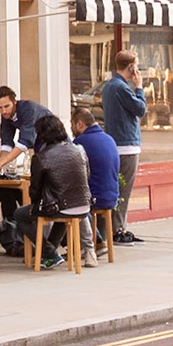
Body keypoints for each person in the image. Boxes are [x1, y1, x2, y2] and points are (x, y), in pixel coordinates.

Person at [5, 114, 90, 268]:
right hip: (83, 205)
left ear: (42, 135)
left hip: (59, 207)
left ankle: (49, 252)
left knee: (20, 214)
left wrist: (36, 205)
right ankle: (49, 256)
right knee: (62, 212)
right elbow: (87, 176)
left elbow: (35, 191)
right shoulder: (79, 150)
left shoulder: (41, 157)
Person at [101, 50, 147, 245]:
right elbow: (140, 109)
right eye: (135, 66)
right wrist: (140, 88)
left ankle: (113, 229)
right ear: (131, 67)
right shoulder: (122, 87)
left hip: (115, 143)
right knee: (123, 191)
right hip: (127, 145)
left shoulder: (109, 86)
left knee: (116, 188)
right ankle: (118, 229)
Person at [72, 107, 121, 257]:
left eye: (72, 125)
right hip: (112, 196)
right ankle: (96, 241)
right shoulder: (108, 138)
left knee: (68, 203)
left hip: (95, 198)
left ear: (79, 124)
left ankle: (95, 242)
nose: (72, 129)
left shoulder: (80, 142)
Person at [0, 85, 54, 178]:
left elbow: (24, 142)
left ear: (14, 102)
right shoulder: (7, 116)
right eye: (0, 108)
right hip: (41, 151)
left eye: (6, 106)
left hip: (57, 148)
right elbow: (6, 144)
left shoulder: (28, 109)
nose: (3, 111)